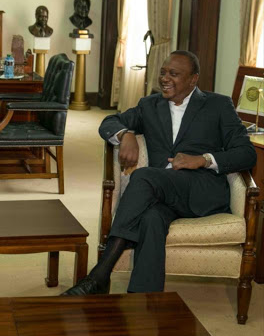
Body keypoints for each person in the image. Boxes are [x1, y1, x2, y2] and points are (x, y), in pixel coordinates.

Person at [62, 50, 256, 296]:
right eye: (163, 72)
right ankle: (144, 301)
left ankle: (99, 274)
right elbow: (109, 121)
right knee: (151, 219)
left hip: (201, 190)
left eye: (174, 74)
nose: (165, 78)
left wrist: (203, 160)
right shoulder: (149, 105)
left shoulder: (218, 105)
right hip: (161, 195)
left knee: (142, 176)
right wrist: (126, 134)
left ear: (193, 80)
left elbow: (246, 153)